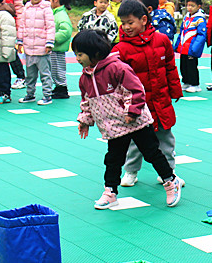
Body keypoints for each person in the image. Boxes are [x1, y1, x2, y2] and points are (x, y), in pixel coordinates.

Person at [74, 29, 183, 208]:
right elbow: (87, 101)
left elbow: (135, 90)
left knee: (151, 153)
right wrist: (85, 120)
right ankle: (110, 192)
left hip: (136, 122)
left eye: (80, 54)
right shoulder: (85, 77)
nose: (77, 59)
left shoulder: (117, 68)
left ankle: (170, 181)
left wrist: (132, 111)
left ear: (95, 53)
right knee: (113, 159)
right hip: (115, 127)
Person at [113, 0, 184, 188]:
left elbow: (170, 67)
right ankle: (130, 172)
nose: (126, 27)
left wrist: (175, 89)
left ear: (144, 19)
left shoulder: (161, 40)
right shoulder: (120, 49)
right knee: (135, 141)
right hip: (137, 105)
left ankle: (168, 173)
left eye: (131, 22)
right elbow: (116, 81)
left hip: (161, 101)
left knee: (166, 138)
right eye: (124, 23)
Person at [17, 0, 55, 105]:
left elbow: (50, 27)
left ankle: (47, 95)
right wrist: (20, 41)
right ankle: (30, 94)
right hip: (29, 49)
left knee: (45, 74)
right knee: (30, 75)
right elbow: (22, 25)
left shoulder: (46, 8)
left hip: (42, 49)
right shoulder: (26, 8)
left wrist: (49, 43)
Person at [174, 0, 206, 92]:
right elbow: (182, 31)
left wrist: (195, 48)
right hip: (184, 47)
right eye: (188, 5)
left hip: (192, 48)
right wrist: (177, 44)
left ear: (198, 6)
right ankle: (186, 82)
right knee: (183, 66)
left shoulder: (200, 19)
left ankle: (195, 84)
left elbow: (202, 35)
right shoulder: (186, 17)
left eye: (192, 6)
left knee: (192, 66)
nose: (190, 8)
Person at [49, 0, 72, 99]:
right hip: (55, 48)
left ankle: (62, 88)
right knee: (54, 69)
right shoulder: (56, 13)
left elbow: (66, 31)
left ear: (55, 0)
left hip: (58, 49)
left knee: (58, 69)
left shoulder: (61, 15)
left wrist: (52, 38)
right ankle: (58, 87)